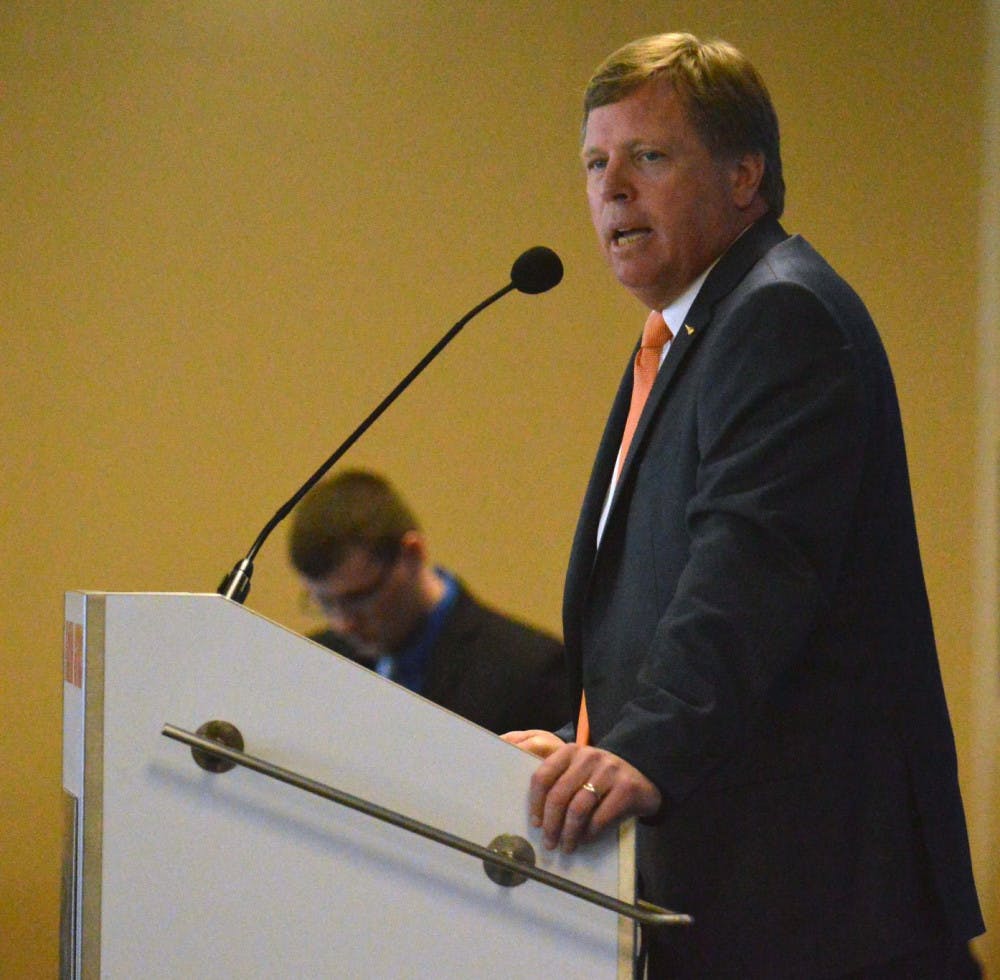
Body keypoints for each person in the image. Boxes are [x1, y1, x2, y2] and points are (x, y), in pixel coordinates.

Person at [502, 32, 984, 978]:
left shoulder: (778, 315)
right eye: (596, 163)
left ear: (742, 175)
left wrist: (641, 747)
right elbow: (665, 603)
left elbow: (754, 564)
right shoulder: (693, 331)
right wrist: (587, 743)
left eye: (648, 156)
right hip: (749, 892)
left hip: (815, 903)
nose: (612, 189)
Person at [289, 469, 570, 735]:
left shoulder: (531, 670)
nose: (343, 624)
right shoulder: (315, 662)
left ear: (412, 553)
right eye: (325, 604)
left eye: (359, 598)